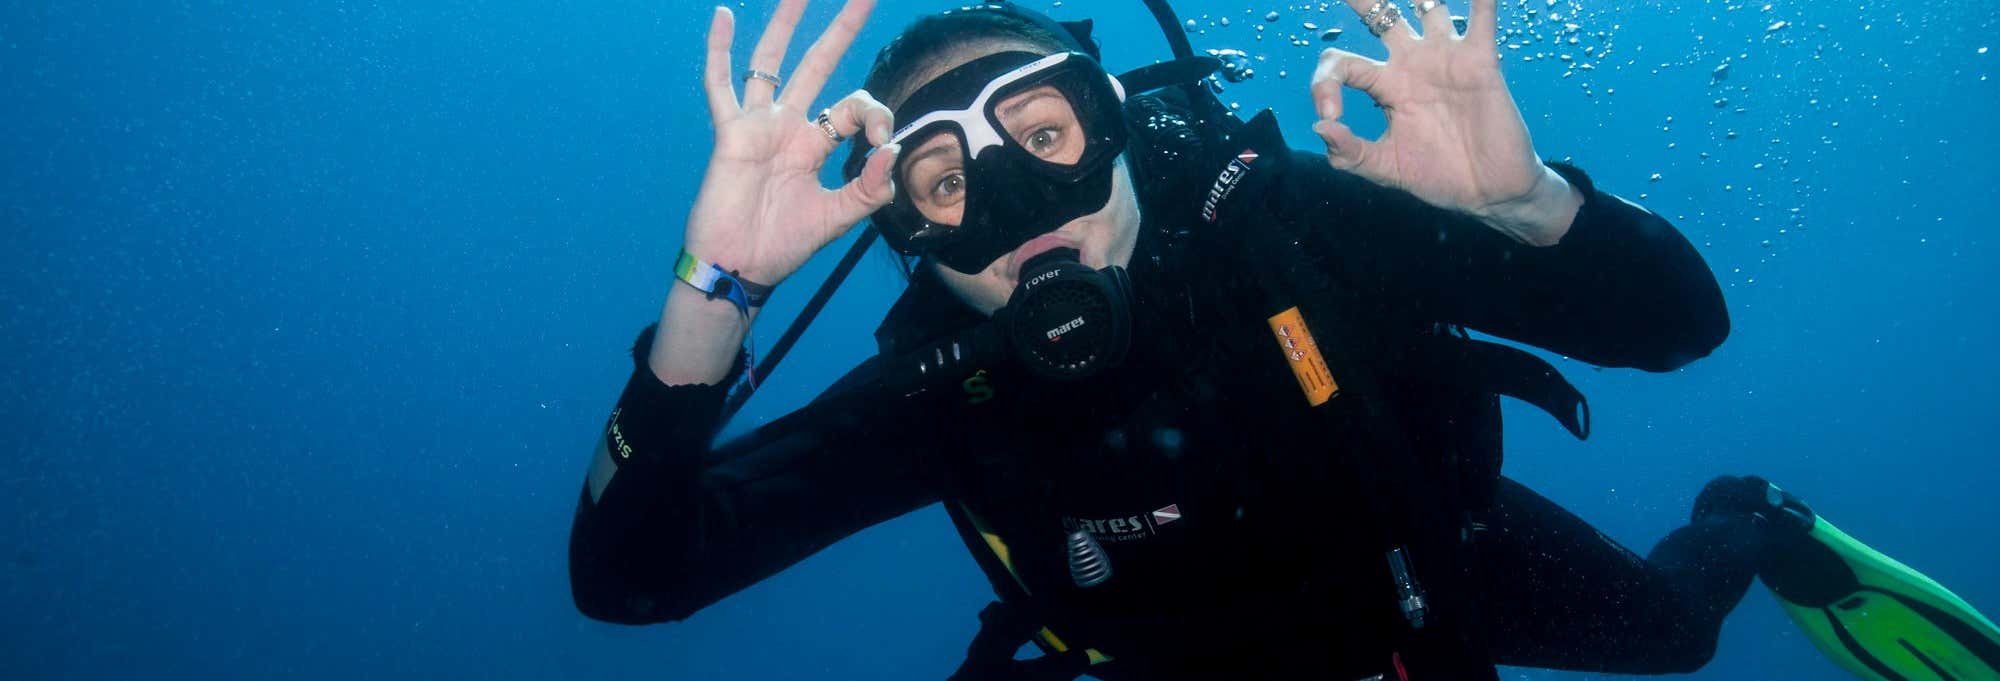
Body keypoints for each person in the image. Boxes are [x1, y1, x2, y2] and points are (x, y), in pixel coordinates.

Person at [566, 0, 2000, 679]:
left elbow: (1681, 326)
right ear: (907, 235)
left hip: (1438, 581)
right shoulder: (952, 385)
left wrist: (1523, 205)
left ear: (1116, 124)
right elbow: (630, 582)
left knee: (1678, 637)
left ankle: (1752, 520)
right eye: (947, 186)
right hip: (1162, 664)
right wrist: (715, 294)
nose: (1016, 210)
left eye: (1045, 136)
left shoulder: (1295, 230)